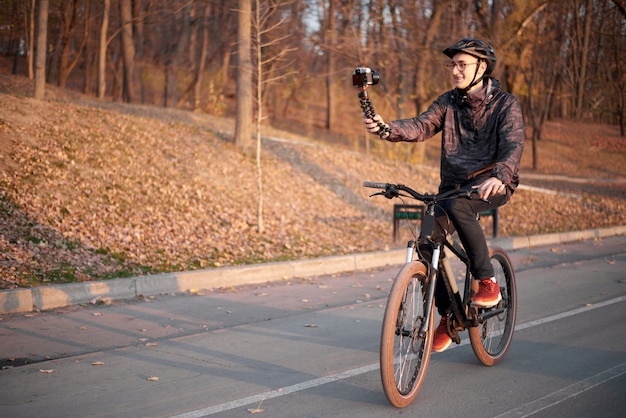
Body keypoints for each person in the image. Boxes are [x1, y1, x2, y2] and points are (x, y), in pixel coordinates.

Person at [362, 38, 525, 352]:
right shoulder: (448, 102)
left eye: (461, 64)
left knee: (459, 206)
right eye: (452, 64)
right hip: (451, 187)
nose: (454, 70)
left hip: (492, 184)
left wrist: (501, 175)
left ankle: (487, 282)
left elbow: (513, 145)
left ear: (482, 67)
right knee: (425, 242)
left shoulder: (506, 104)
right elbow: (421, 126)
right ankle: (449, 315)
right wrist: (387, 128)